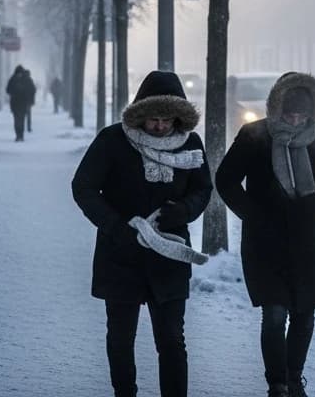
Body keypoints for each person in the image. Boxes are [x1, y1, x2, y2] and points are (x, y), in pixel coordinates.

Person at [215, 72, 315, 397]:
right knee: (275, 314)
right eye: (288, 113)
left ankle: (295, 378)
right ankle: (277, 383)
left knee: (304, 316)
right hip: (266, 242)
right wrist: (252, 213)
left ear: (313, 112)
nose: (294, 120)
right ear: (276, 108)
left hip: (310, 243)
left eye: (301, 114)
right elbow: (226, 179)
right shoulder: (255, 136)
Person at [72, 70, 213, 397]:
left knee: (172, 341)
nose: (160, 126)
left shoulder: (190, 144)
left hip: (170, 254)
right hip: (121, 254)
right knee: (121, 338)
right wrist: (116, 227)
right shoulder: (112, 141)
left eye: (167, 119)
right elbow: (84, 187)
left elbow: (203, 187)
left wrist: (185, 210)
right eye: (153, 119)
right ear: (140, 113)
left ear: (179, 116)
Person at [5, 65, 32, 142]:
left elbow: (8, 90)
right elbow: (8, 90)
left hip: (18, 103)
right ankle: (18, 135)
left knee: (20, 119)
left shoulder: (13, 79)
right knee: (18, 120)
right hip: (19, 103)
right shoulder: (25, 80)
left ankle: (20, 135)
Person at [22, 66, 37, 132]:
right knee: (28, 115)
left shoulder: (21, 80)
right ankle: (28, 127)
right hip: (28, 101)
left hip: (22, 101)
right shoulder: (30, 80)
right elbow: (34, 90)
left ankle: (21, 128)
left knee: (22, 116)